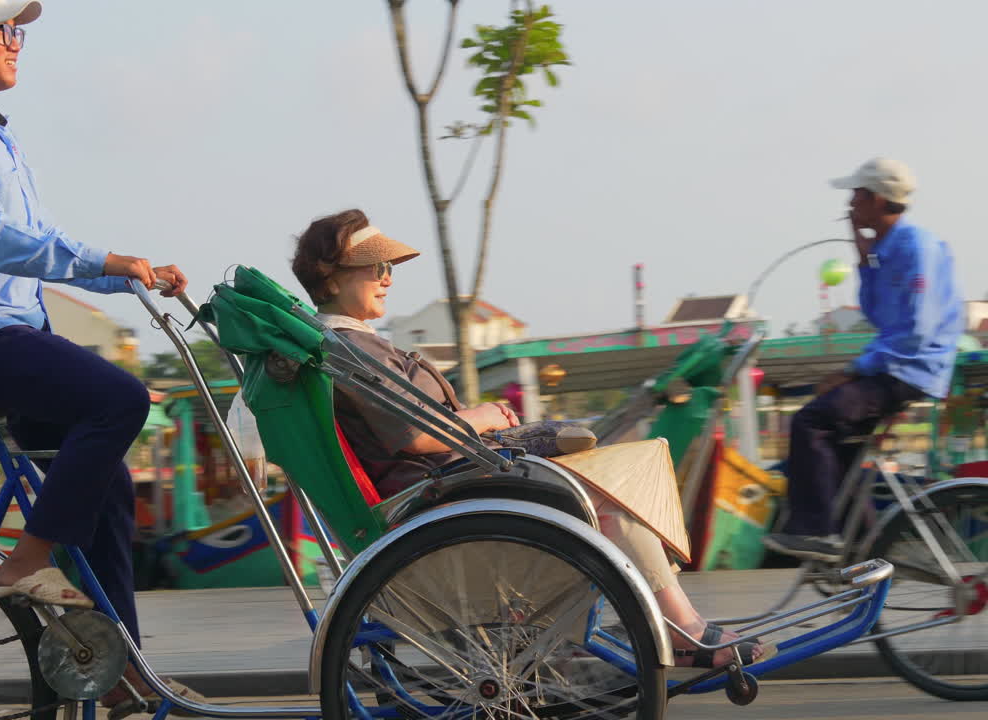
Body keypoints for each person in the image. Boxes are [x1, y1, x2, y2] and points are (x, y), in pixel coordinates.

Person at [290, 209, 769, 667]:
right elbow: (417, 435)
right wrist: (486, 415)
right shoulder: (350, 347)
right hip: (441, 493)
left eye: (388, 265)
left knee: (625, 470)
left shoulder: (354, 344)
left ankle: (652, 621)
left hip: (450, 485)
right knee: (616, 485)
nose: (388, 277)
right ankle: (679, 629)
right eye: (375, 267)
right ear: (331, 278)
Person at [0, 1, 193, 710]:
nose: (14, 42)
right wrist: (107, 258)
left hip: (10, 331)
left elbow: (40, 238)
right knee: (120, 399)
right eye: (3, 30)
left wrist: (126, 272)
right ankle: (27, 559)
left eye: (16, 30)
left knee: (109, 487)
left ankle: (123, 672)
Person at [764, 158, 963, 563]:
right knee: (842, 450)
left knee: (811, 421)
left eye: (855, 196)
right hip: (896, 365)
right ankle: (865, 559)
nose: (850, 205)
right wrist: (863, 256)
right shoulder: (888, 249)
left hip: (910, 368)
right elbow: (877, 314)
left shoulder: (915, 246)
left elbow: (914, 331)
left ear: (874, 199)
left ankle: (819, 532)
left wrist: (852, 371)